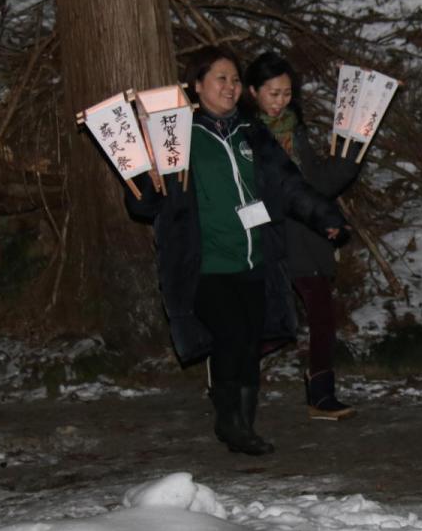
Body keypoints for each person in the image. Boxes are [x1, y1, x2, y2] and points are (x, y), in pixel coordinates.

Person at [127, 45, 345, 455]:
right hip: (206, 263)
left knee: (249, 339)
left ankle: (245, 423)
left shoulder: (252, 132)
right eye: (220, 79)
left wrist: (325, 216)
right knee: (230, 334)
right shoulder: (177, 136)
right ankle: (230, 422)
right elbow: (145, 203)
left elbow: (288, 184)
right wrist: (140, 180)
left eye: (234, 79)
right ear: (196, 85)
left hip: (254, 258)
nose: (230, 87)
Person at [245, 51, 360, 421]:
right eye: (272, 93)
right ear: (252, 92)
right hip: (268, 237)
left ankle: (321, 392)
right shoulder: (244, 135)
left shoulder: (296, 129)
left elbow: (317, 185)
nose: (281, 101)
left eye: (286, 93)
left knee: (322, 313)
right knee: (262, 319)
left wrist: (351, 154)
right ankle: (230, 381)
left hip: (306, 238)